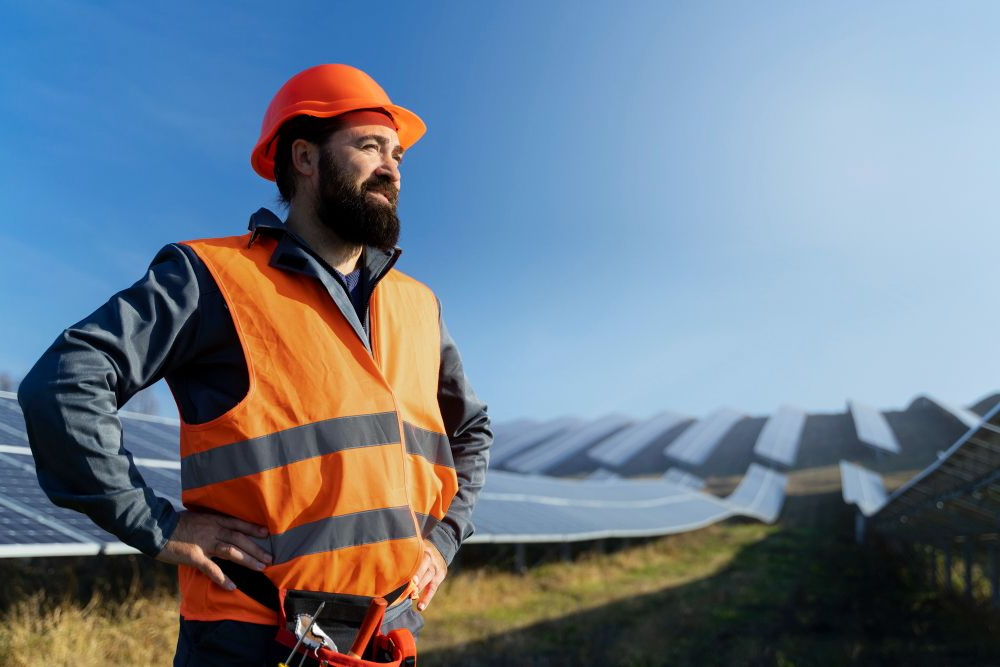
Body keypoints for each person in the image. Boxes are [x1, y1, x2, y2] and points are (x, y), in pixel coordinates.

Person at [17, 64, 492, 665]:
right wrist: (157, 524)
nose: (392, 167)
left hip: (388, 638)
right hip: (253, 640)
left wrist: (443, 542)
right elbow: (64, 383)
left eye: (397, 154)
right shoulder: (212, 278)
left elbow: (471, 433)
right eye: (370, 146)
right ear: (305, 157)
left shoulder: (419, 303)